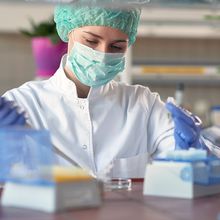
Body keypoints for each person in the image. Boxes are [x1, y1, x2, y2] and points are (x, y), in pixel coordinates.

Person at [0, 2, 205, 178]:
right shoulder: (23, 103)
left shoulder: (144, 104)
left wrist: (195, 150)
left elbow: (199, 167)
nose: (103, 54)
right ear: (68, 31)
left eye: (117, 47)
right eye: (91, 41)